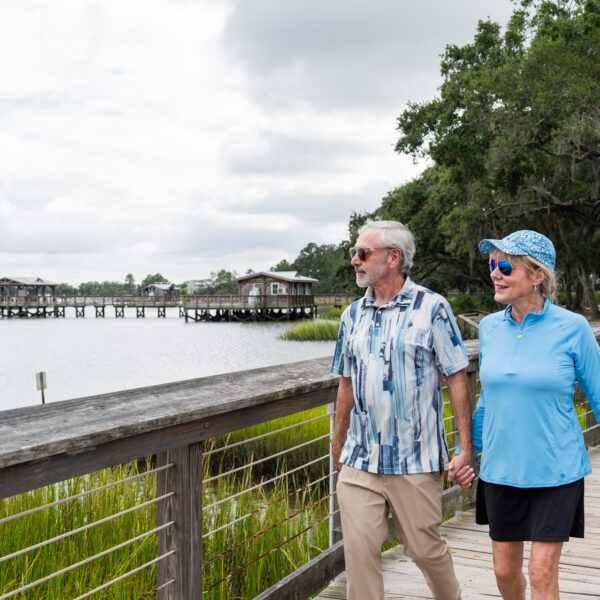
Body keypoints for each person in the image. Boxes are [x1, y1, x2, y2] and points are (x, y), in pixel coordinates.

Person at [450, 230, 600, 600]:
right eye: (492, 265)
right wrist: (468, 451)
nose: (495, 274)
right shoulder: (489, 328)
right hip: (501, 470)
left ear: (537, 276)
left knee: (542, 571)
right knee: (504, 572)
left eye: (505, 266)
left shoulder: (573, 328)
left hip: (557, 469)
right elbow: (488, 400)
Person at [331, 220, 475, 600]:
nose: (354, 261)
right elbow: (345, 384)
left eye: (363, 253)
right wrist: (338, 445)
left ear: (394, 258)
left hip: (416, 458)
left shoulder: (433, 307)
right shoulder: (351, 316)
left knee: (424, 549)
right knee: (360, 553)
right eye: (353, 253)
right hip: (360, 458)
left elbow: (457, 378)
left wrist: (465, 448)